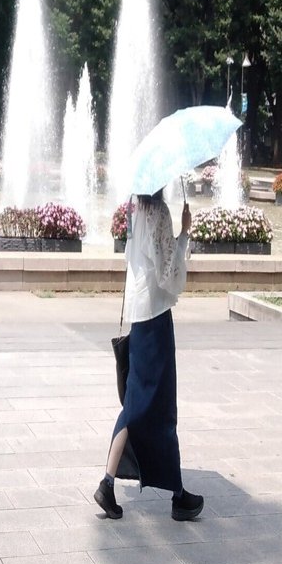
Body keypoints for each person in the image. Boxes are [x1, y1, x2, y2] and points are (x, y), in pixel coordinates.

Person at [94, 189, 204, 521]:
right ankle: (173, 494)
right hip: (155, 317)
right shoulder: (158, 213)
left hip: (138, 316)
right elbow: (168, 273)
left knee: (140, 401)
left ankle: (119, 483)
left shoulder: (134, 211)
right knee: (155, 404)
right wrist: (184, 233)